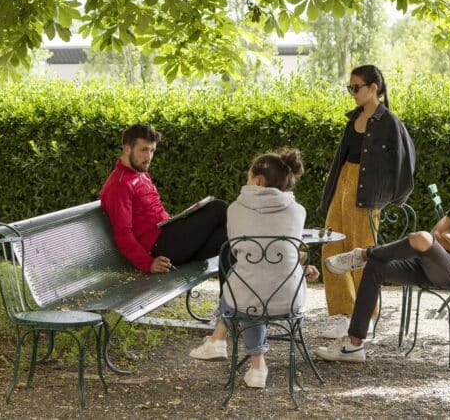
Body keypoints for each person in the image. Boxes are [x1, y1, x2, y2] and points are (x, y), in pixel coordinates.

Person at [315, 149, 450, 362]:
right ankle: (354, 345)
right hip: (433, 267)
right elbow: (435, 235)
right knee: (376, 266)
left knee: (419, 238)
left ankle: (363, 254)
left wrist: (448, 238)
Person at [188, 149, 320, 389]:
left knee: (247, 286)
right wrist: (302, 266)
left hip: (248, 296)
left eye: (248, 178)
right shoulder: (298, 211)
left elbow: (239, 251)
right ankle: (250, 363)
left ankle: (227, 345)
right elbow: (283, 251)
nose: (246, 182)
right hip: (290, 298)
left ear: (258, 180)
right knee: (254, 283)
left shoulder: (235, 209)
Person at [319, 64, 415, 339]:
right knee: (332, 247)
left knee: (360, 253)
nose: (352, 92)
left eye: (356, 87)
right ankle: (341, 314)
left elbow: (406, 161)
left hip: (367, 193)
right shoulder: (354, 119)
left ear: (374, 88)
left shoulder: (389, 122)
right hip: (343, 187)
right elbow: (342, 159)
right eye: (349, 87)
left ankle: (364, 316)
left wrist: (391, 199)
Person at [100, 123, 228, 274]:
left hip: (168, 236)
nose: (148, 157)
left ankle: (227, 297)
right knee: (218, 207)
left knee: (227, 239)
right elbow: (123, 235)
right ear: (127, 148)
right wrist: (148, 264)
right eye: (144, 150)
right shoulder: (119, 185)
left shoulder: (140, 172)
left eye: (152, 150)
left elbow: (153, 213)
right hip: (160, 249)